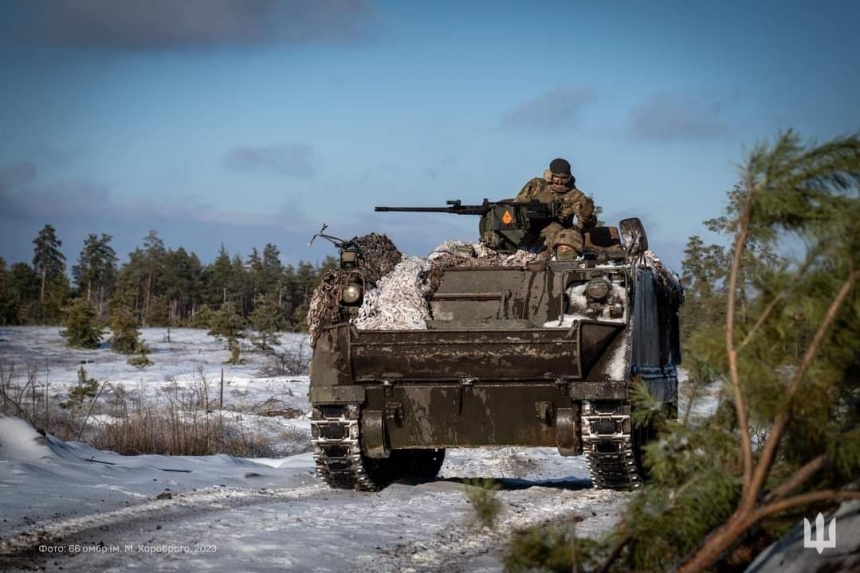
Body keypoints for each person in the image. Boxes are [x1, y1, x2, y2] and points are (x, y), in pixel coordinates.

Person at [514, 158, 597, 250]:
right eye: (557, 177)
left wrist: (586, 218)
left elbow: (584, 226)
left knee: (552, 233)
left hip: (557, 232)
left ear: (569, 177)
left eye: (564, 178)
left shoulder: (575, 195)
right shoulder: (537, 185)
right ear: (550, 175)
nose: (560, 181)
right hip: (528, 227)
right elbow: (518, 203)